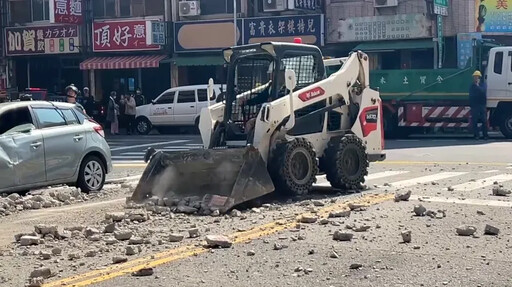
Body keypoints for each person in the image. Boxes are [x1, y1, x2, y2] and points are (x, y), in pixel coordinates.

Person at [238, 63, 288, 136]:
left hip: (279, 118)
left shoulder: (287, 89)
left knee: (250, 124)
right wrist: (247, 102)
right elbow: (261, 97)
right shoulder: (271, 87)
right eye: (270, 74)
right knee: (250, 124)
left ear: (280, 73)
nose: (271, 77)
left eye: (272, 74)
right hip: (269, 116)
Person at [469, 70, 488, 140]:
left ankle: (485, 135)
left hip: (482, 105)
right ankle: (476, 135)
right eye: (474, 77)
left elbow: (483, 91)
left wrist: (477, 86)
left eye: (477, 77)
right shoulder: (472, 86)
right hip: (475, 106)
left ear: (480, 77)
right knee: (474, 121)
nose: (476, 78)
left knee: (484, 121)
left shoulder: (483, 85)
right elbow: (471, 95)